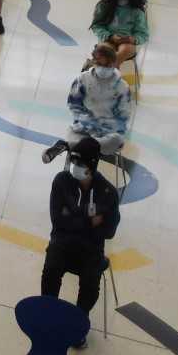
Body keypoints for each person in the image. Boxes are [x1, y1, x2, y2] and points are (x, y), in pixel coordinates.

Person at [39, 136, 122, 341]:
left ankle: (78, 319)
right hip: (63, 242)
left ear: (93, 165)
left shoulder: (107, 193)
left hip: (91, 249)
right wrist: (90, 221)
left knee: (90, 284)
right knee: (50, 270)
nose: (75, 166)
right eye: (74, 161)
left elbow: (109, 231)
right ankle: (48, 313)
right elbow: (57, 220)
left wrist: (75, 217)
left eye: (81, 163)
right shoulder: (62, 182)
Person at [43, 43, 133, 163]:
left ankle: (66, 146)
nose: (102, 68)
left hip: (109, 133)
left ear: (113, 63)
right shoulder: (83, 79)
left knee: (114, 140)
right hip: (84, 128)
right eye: (99, 64)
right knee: (77, 137)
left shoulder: (122, 87)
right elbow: (74, 105)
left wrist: (103, 125)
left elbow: (123, 116)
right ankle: (81, 153)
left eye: (106, 65)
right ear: (94, 62)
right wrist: (88, 122)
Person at [88, 0, 148, 67]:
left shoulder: (137, 11)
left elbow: (143, 34)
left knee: (124, 50)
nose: (122, 0)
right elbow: (97, 26)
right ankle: (105, 71)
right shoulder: (104, 6)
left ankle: (107, 71)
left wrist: (133, 39)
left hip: (127, 42)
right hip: (107, 39)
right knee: (105, 51)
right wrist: (110, 36)